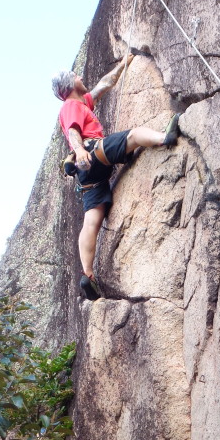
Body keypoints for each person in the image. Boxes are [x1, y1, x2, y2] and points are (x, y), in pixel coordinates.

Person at [51, 55, 180, 301]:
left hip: (89, 176)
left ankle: (87, 275)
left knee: (92, 220)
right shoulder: (70, 106)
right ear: (70, 84)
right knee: (132, 136)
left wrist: (123, 64)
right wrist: (79, 150)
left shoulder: (83, 102)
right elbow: (73, 131)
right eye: (77, 77)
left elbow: (103, 85)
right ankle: (165, 138)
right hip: (90, 153)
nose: (82, 78)